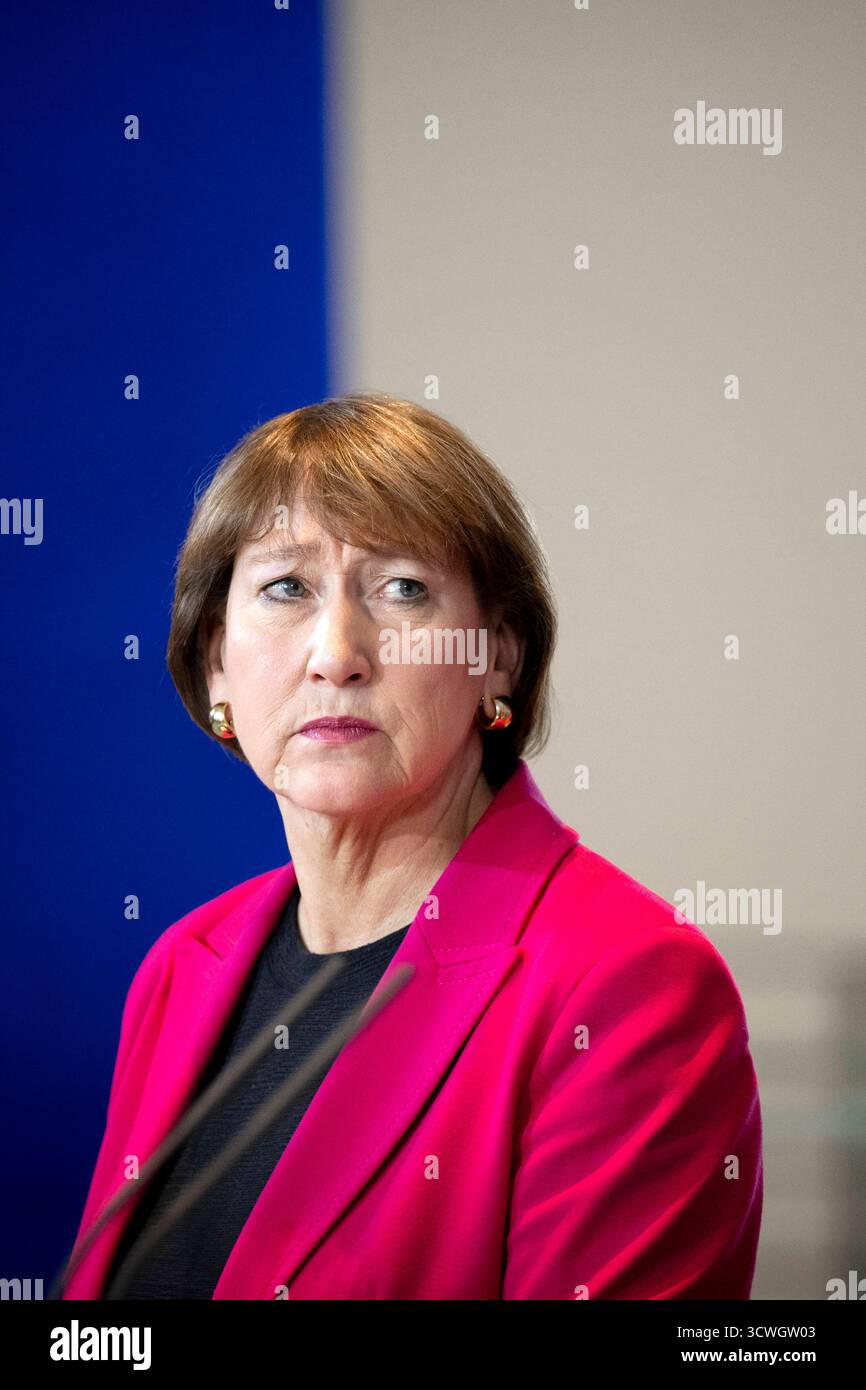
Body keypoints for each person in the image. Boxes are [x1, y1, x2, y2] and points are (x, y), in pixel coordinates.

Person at [62, 392, 762, 1300]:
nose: (336, 654)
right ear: (213, 664)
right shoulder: (180, 966)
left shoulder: (629, 987)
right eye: (285, 588)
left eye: (402, 589)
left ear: (498, 658)